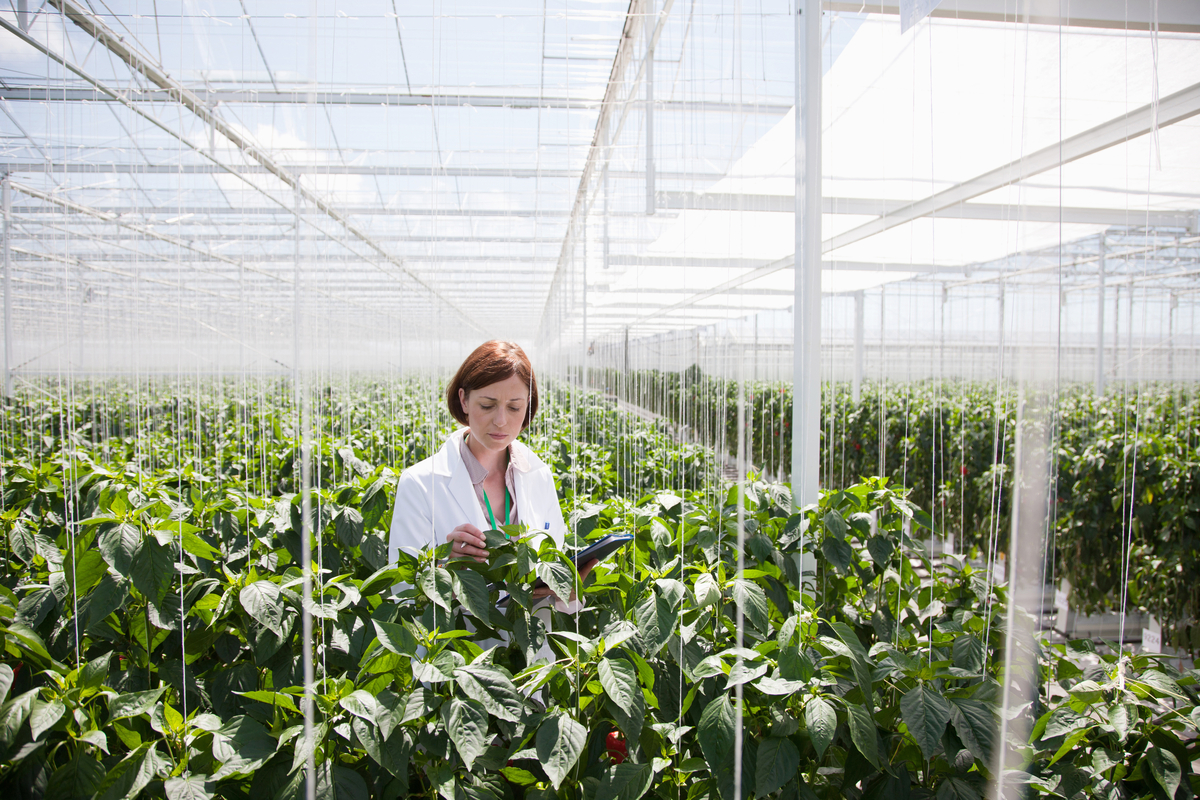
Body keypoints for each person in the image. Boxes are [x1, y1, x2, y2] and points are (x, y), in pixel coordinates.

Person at [388, 340, 596, 614]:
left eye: (514, 407)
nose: (501, 421)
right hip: (463, 651)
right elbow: (402, 593)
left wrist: (566, 590)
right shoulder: (420, 483)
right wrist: (440, 569)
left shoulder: (538, 475)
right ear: (463, 400)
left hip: (533, 649)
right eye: (487, 405)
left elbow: (555, 574)